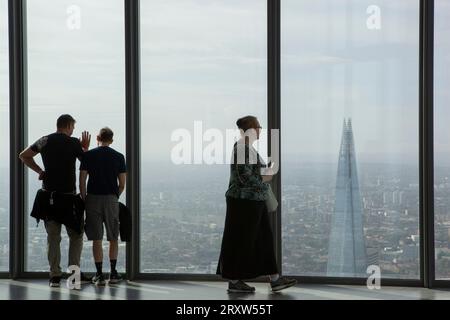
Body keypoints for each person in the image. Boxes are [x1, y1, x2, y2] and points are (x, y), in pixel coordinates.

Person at [217, 115, 297, 293]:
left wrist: (266, 170)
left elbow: (251, 172)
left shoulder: (248, 149)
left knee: (263, 239)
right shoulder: (241, 149)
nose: (261, 130)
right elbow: (243, 177)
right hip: (243, 203)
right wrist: (265, 177)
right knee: (241, 241)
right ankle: (235, 280)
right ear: (251, 129)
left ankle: (274, 278)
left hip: (253, 202)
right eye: (259, 127)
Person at [19, 114, 91, 287]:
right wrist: (85, 148)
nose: (73, 130)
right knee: (76, 235)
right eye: (73, 127)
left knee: (53, 237)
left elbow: (24, 155)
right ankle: (74, 276)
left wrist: (40, 171)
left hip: (49, 197)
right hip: (68, 198)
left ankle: (55, 276)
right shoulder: (73, 143)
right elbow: (86, 163)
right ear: (67, 126)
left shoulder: (45, 140)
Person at [79, 127, 126, 286]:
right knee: (113, 236)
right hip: (111, 199)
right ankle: (113, 273)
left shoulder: (88, 156)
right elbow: (122, 184)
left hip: (92, 198)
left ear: (98, 137)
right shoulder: (119, 157)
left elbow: (82, 180)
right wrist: (115, 196)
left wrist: (85, 198)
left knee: (96, 238)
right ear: (111, 140)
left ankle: (99, 274)